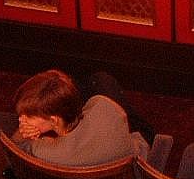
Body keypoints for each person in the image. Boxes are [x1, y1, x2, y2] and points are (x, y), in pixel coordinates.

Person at [12, 69, 149, 167]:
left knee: (98, 80)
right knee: (102, 79)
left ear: (54, 120)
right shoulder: (103, 106)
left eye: (28, 116)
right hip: (136, 157)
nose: (21, 120)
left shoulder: (43, 151)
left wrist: (23, 133)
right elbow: (122, 116)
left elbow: (14, 145)